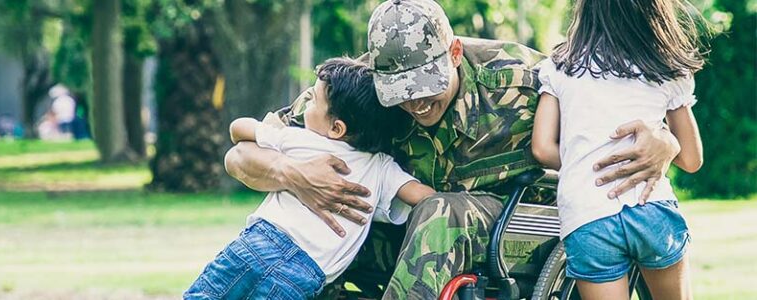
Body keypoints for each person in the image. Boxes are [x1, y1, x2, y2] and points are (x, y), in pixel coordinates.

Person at [224, 0, 684, 298]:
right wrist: (293, 173)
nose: (417, 101)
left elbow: (612, 111)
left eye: (427, 84)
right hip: (397, 231)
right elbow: (240, 156)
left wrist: (665, 138)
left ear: (456, 52)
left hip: (517, 226)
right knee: (311, 232)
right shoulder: (353, 92)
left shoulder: (520, 78)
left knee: (441, 213)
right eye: (401, 91)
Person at [184, 57, 436, 299]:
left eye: (313, 101)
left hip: (258, 244)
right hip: (303, 276)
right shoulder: (382, 168)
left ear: (337, 128)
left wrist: (271, 130)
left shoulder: (302, 140)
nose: (306, 106)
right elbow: (422, 196)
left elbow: (237, 129)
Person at [531, 0, 705, 299]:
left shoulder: (560, 67)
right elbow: (691, 159)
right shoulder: (664, 67)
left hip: (588, 216)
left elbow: (542, 148)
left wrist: (587, 161)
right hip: (651, 209)